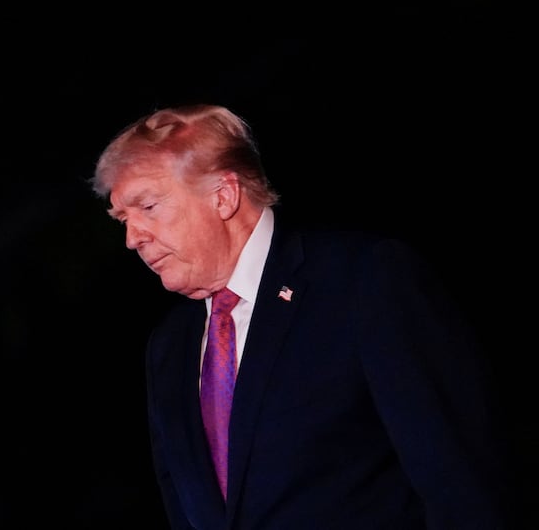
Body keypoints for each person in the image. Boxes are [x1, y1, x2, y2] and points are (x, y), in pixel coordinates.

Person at [89, 103, 513, 529]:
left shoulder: (362, 281)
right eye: (123, 219)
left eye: (148, 207)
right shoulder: (168, 347)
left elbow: (459, 483)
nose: (132, 238)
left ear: (224, 195)